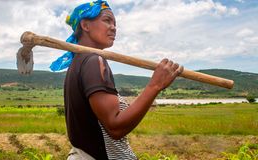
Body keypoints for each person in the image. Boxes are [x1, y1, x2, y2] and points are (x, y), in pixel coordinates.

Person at [49, 0, 184, 159]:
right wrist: (155, 85)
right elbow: (115, 127)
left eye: (115, 23)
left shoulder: (78, 62)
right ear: (85, 26)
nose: (114, 27)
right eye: (107, 20)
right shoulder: (93, 61)